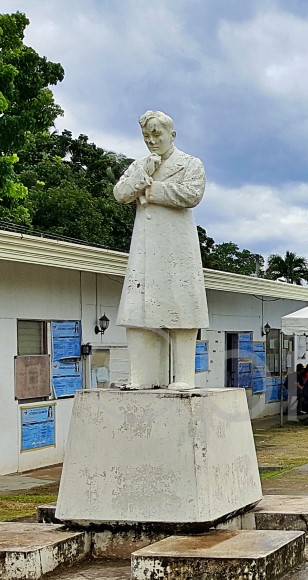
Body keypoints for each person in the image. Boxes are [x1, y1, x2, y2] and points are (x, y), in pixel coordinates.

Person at [113, 110, 208, 390]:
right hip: (145, 247)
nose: (152, 141)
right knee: (139, 311)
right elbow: (120, 193)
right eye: (146, 136)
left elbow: (192, 194)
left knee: (182, 307)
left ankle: (184, 377)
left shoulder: (190, 163)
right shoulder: (140, 165)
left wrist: (152, 191)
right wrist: (143, 176)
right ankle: (141, 376)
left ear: (171, 135)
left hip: (177, 245)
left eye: (157, 134)